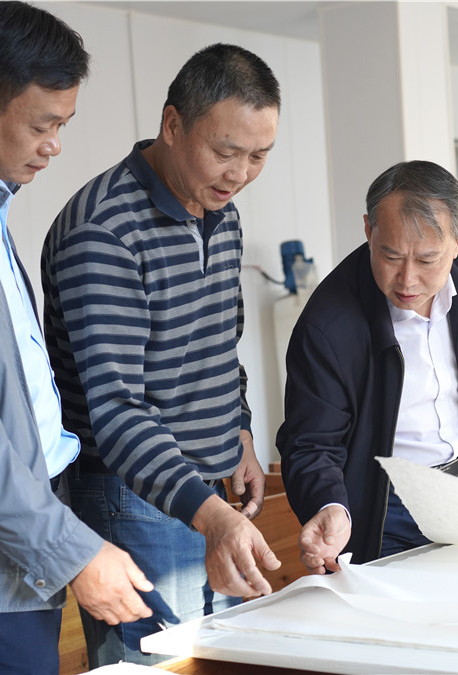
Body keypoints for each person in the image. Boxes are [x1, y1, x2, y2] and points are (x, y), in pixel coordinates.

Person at [0, 3, 154, 674]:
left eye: (62, 126)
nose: (54, 145)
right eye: (43, 125)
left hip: (14, 546)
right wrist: (72, 550)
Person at [41, 43, 282, 667]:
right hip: (132, 496)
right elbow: (117, 410)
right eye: (225, 152)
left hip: (205, 490)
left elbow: (220, 341)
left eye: (258, 156)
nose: (239, 174)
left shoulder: (220, 212)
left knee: (217, 658)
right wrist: (211, 515)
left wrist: (239, 431)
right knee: (161, 663)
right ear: (172, 124)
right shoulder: (104, 230)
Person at [277, 160, 458, 573]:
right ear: (368, 230)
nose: (407, 280)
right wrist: (328, 505)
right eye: (390, 256)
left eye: (427, 260)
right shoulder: (327, 324)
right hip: (385, 504)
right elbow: (311, 443)